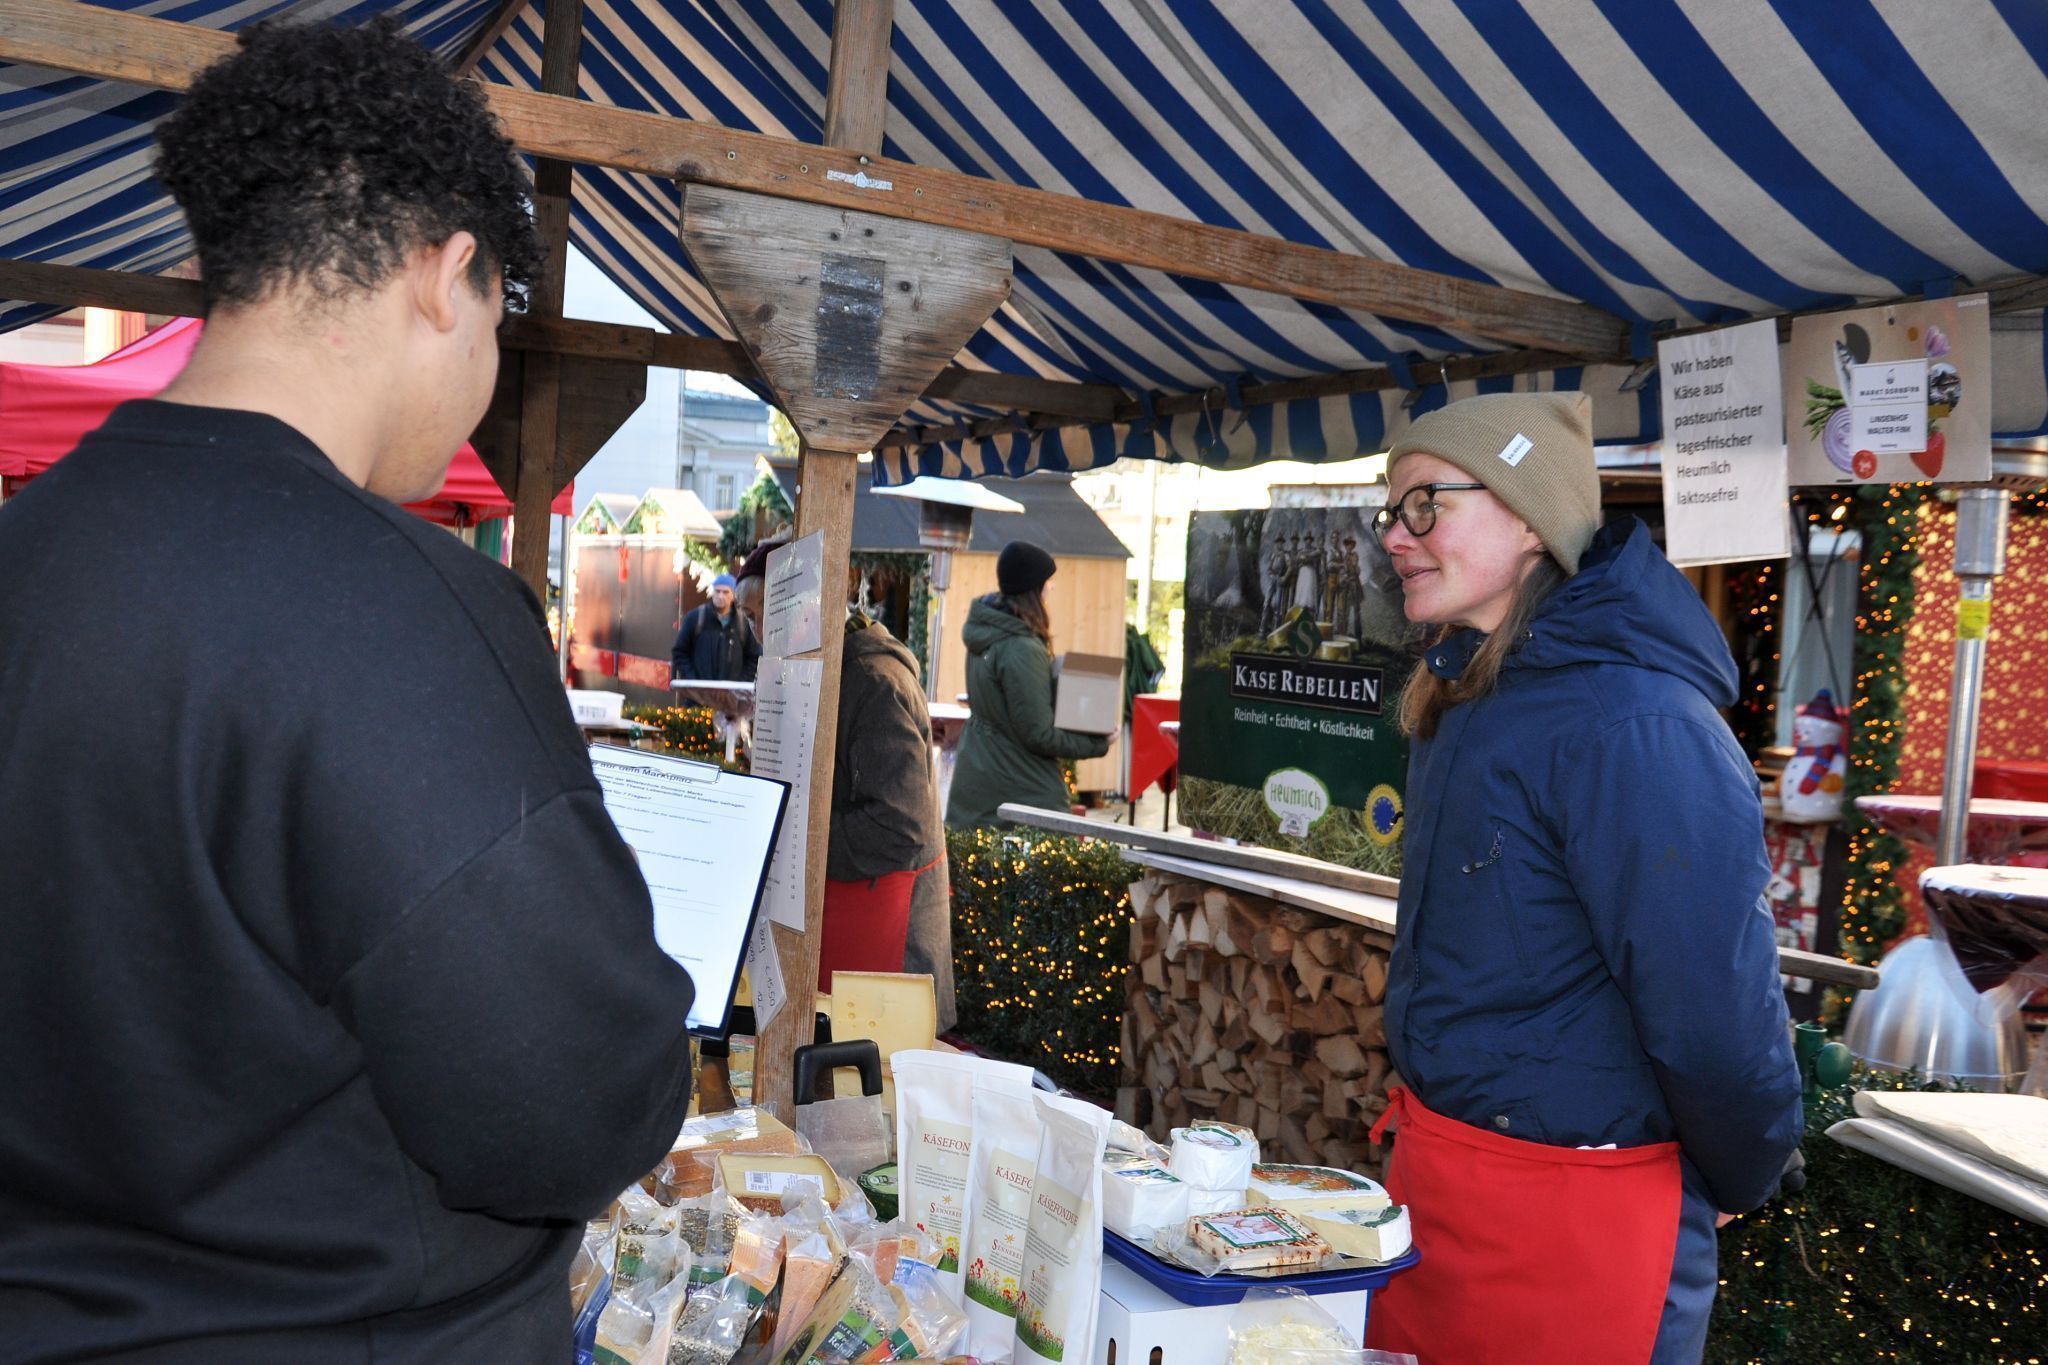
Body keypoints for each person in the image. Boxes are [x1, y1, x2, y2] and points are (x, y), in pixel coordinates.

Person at [0, 20, 695, 1362]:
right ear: (449, 280)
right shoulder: (405, 609)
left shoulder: (24, 552)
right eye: (499, 320)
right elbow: (564, 1105)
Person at [1359, 392, 1802, 1364]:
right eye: (1389, 510)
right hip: (1442, 1187)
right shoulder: (1461, 693)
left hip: (1578, 1219)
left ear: (1526, 517)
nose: (1395, 535)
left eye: (1424, 504)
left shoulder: (1635, 725)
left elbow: (1710, 1013)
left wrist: (1735, 1174)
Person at [733, 546, 954, 1029]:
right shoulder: (821, 669)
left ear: (797, 608)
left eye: (759, 615)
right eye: (748, 619)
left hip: (886, 934)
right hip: (845, 917)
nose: (755, 633)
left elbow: (900, 827)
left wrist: (795, 841)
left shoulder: (876, 682)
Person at [945, 541, 1111, 829]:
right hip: (1020, 786)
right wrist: (1098, 743)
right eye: (1047, 582)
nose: (1052, 588)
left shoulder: (986, 633)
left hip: (979, 773)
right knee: (1047, 866)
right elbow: (1038, 733)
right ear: (1033, 588)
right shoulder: (1021, 648)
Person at [672, 571, 761, 682]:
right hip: (698, 696)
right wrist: (692, 680)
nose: (720, 596)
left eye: (725, 592)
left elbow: (754, 657)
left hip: (731, 697)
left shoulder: (743, 623)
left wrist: (739, 685)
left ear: (733, 595)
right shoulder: (695, 618)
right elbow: (679, 653)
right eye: (717, 591)